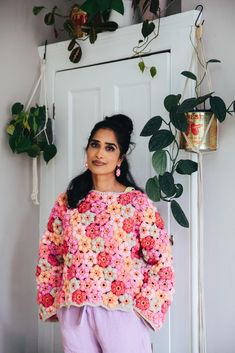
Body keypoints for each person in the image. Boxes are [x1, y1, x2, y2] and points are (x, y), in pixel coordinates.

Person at [36, 114, 175, 353]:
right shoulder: (68, 202)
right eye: (95, 145)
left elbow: (161, 261)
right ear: (87, 150)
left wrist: (143, 309)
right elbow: (49, 255)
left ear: (120, 158)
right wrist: (53, 301)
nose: (100, 154)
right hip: (75, 310)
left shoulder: (136, 203)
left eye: (109, 148)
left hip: (121, 312)